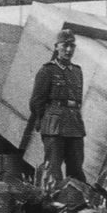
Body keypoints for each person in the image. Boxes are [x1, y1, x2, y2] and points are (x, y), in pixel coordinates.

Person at [29, 28, 86, 183]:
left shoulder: (77, 71)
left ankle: (76, 202)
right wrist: (43, 119)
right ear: (56, 47)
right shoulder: (47, 70)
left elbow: (78, 100)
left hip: (74, 125)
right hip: (54, 125)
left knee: (76, 168)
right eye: (64, 45)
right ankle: (53, 202)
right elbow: (36, 101)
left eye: (72, 46)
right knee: (53, 168)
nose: (68, 50)